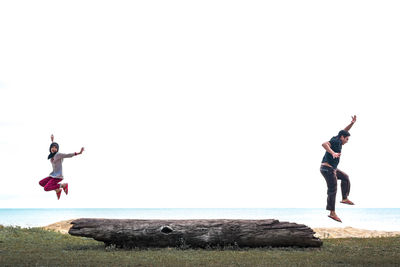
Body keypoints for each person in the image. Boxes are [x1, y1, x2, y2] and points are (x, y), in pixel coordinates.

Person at [320, 115, 357, 222]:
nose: (347, 141)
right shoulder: (336, 141)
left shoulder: (338, 138)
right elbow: (324, 144)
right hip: (327, 169)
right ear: (342, 137)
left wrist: (352, 123)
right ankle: (332, 213)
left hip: (332, 169)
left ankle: (345, 198)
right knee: (333, 189)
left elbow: (344, 131)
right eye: (347, 139)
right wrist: (333, 153)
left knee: (345, 177)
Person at [39, 134, 84, 200]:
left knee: (46, 188)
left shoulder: (58, 155)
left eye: (55, 148)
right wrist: (52, 140)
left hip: (58, 177)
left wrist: (78, 153)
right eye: (52, 147)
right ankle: (57, 190)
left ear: (57, 149)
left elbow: (67, 155)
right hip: (53, 175)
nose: (54, 149)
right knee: (41, 183)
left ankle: (63, 185)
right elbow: (52, 146)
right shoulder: (52, 155)